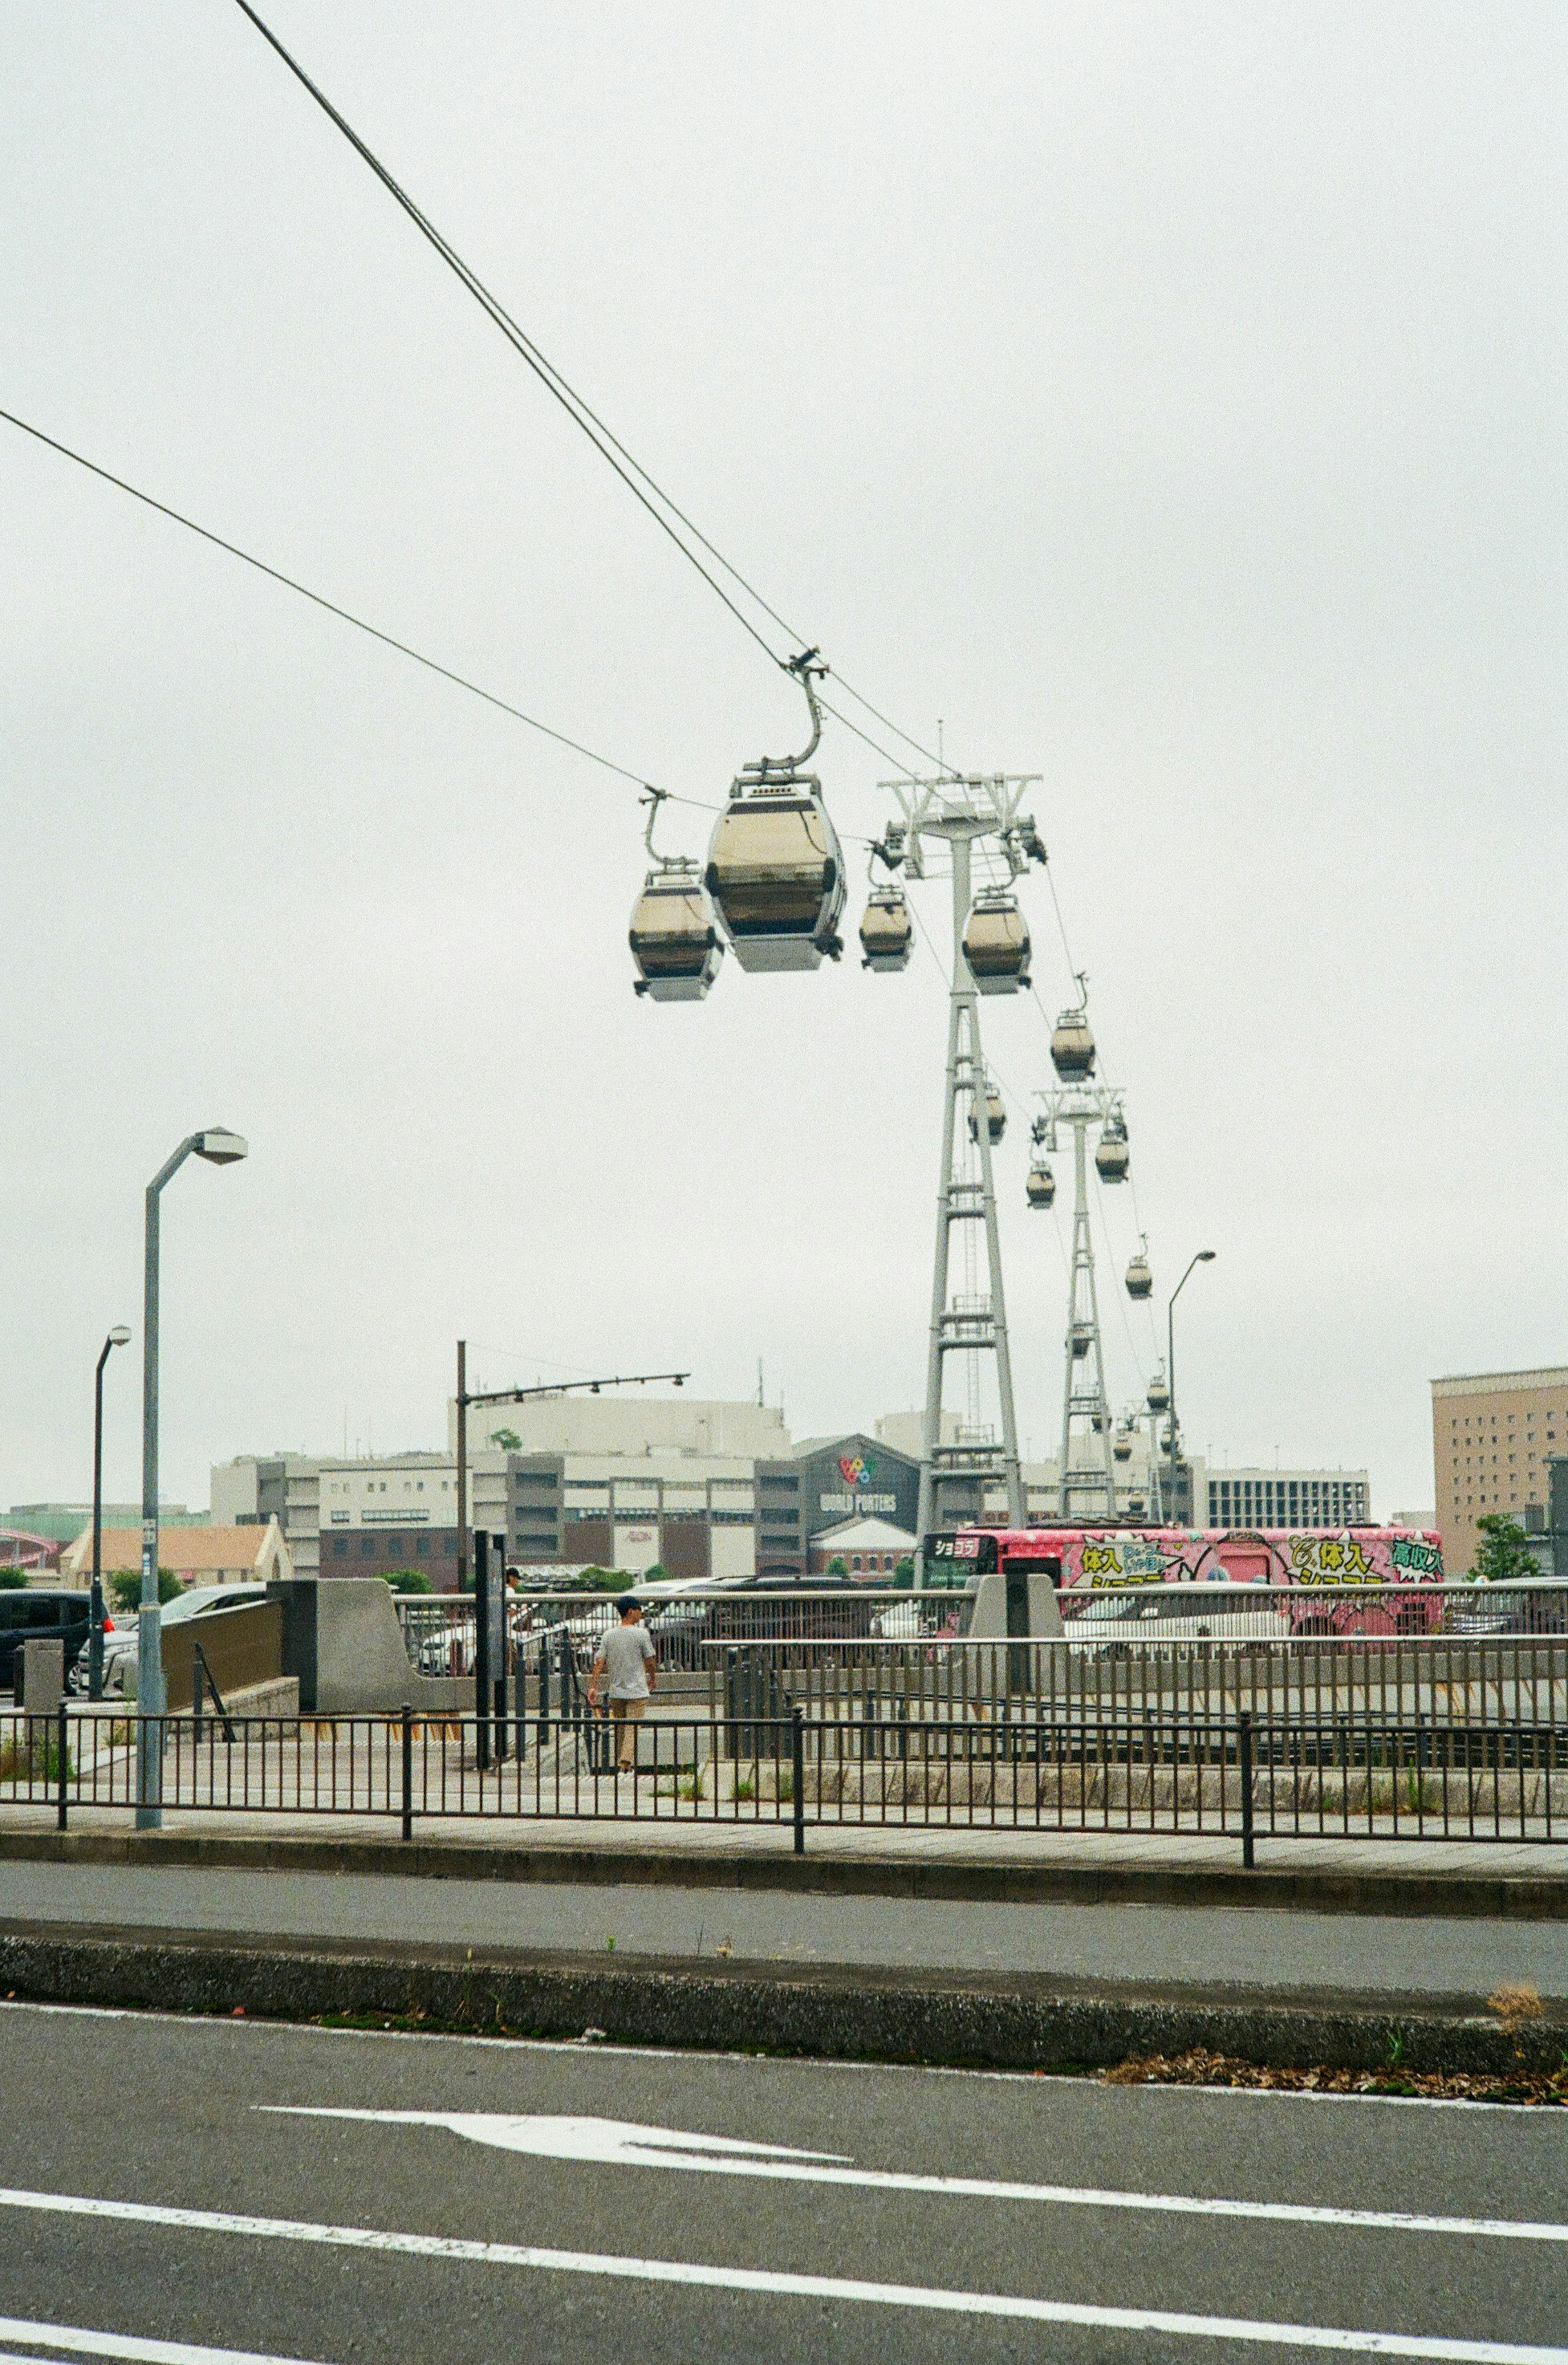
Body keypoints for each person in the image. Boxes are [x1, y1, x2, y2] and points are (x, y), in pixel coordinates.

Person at [587, 1595, 657, 1773]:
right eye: (639, 1610)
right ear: (630, 1611)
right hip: (637, 1691)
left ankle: (622, 1766)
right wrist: (653, 1678)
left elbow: (599, 1663)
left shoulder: (609, 1635)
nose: (641, 1614)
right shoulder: (642, 1634)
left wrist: (593, 1686)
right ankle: (626, 1763)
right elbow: (650, 1661)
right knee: (632, 1728)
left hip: (616, 1691)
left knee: (620, 1729)